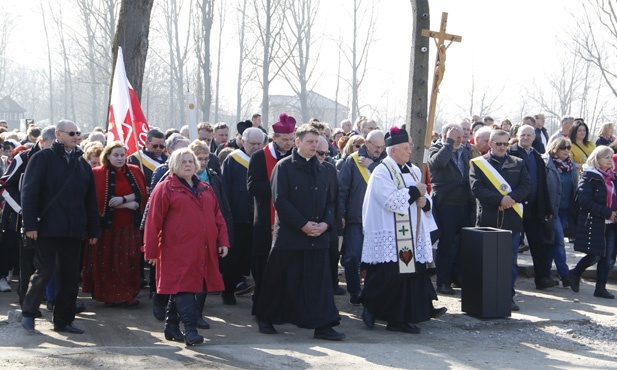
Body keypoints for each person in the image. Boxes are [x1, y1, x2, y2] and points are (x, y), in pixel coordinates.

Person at [256, 124, 344, 341]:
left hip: (318, 237)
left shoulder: (326, 169)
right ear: (297, 142)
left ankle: (324, 325)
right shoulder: (283, 167)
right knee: (278, 281)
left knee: (320, 284)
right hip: (290, 236)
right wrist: (302, 225)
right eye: (310, 142)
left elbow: (331, 202)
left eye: (317, 142)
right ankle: (266, 318)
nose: (314, 146)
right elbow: (281, 201)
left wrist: (325, 224)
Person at [361, 126, 444, 334]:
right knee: (386, 277)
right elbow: (392, 202)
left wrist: (425, 202)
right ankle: (372, 309)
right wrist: (415, 191)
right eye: (405, 148)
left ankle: (402, 317)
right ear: (393, 151)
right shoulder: (382, 172)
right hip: (390, 232)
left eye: (410, 147)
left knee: (409, 276)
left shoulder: (415, 170)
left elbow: (426, 200)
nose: (409, 151)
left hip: (409, 234)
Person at [21, 120, 100, 334]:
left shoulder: (82, 164)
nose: (77, 136)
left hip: (73, 230)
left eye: (79, 133)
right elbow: (29, 193)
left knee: (69, 276)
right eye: (72, 133)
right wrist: (30, 224)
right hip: (45, 228)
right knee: (44, 271)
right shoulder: (42, 158)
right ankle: (28, 312)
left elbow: (90, 200)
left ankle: (63, 321)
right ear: (58, 134)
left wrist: (93, 229)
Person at [144, 147, 230, 345]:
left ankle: (171, 326)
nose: (188, 165)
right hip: (175, 249)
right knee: (184, 288)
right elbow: (153, 221)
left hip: (202, 248)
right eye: (183, 162)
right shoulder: (165, 188)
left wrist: (223, 241)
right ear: (174, 164)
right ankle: (190, 331)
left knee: (187, 287)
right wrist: (150, 251)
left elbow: (218, 217)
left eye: (191, 161)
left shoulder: (205, 188)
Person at [470, 130, 531, 311]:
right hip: (488, 218)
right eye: (498, 144)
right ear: (490, 143)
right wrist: (499, 200)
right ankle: (485, 296)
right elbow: (476, 188)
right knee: (486, 261)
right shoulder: (479, 164)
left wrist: (511, 198)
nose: (502, 147)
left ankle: (508, 295)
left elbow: (526, 186)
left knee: (510, 261)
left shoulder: (518, 163)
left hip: (512, 219)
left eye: (505, 144)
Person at [82, 141, 147, 307]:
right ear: (108, 156)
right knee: (107, 262)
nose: (119, 158)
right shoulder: (97, 173)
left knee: (128, 261)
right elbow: (98, 201)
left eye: (122, 155)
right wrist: (125, 203)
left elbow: (141, 194)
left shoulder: (135, 170)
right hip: (106, 228)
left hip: (129, 227)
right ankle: (109, 296)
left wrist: (125, 199)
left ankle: (128, 295)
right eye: (116, 155)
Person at [247, 113, 296, 315]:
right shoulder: (260, 157)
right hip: (265, 222)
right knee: (264, 270)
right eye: (285, 140)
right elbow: (252, 187)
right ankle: (261, 310)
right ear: (274, 138)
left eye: (292, 139)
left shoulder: (296, 158)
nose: (289, 143)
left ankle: (283, 309)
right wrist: (280, 189)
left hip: (290, 224)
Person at [0, 126, 56, 298]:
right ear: (41, 141)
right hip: (23, 219)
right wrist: (23, 209)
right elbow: (5, 185)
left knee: (50, 260)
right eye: (53, 144)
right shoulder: (23, 158)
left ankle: (49, 296)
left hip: (51, 218)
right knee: (27, 260)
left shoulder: (61, 159)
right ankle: (26, 298)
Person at [338, 129, 386, 304]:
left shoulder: (386, 162)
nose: (379, 150)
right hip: (356, 218)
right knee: (351, 257)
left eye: (382, 147)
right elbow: (342, 190)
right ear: (366, 143)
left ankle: (371, 292)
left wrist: (372, 167)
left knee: (376, 260)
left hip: (379, 219)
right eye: (376, 146)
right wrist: (341, 214)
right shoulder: (352, 161)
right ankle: (354, 291)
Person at [507, 126, 557, 290]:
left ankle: (542, 278)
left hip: (535, 208)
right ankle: (508, 283)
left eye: (529, 135)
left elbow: (542, 183)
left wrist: (547, 207)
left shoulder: (537, 156)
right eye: (523, 135)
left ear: (534, 137)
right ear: (517, 136)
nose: (526, 138)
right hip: (514, 206)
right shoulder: (510, 153)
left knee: (538, 244)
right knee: (512, 246)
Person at [190, 139, 233, 328]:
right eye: (198, 158)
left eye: (206, 158)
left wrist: (226, 236)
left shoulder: (214, 177)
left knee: (204, 275)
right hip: (187, 236)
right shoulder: (177, 178)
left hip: (210, 235)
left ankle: (198, 312)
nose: (203, 162)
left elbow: (222, 208)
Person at [220, 127, 264, 305]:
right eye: (252, 143)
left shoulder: (264, 159)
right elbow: (225, 189)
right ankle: (228, 291)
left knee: (257, 258)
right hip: (238, 218)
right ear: (243, 142)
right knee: (234, 258)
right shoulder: (233, 160)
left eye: (259, 143)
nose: (256, 146)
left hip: (259, 218)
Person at [428, 123, 472, 295]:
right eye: (455, 135)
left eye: (460, 136)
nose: (459, 139)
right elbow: (436, 164)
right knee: (446, 244)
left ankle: (457, 275)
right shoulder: (436, 148)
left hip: (464, 201)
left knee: (461, 243)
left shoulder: (465, 150)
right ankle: (443, 281)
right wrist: (449, 143)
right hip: (446, 203)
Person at [569, 146, 616, 299]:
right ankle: (575, 273)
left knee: (607, 257)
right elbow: (584, 201)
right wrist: (607, 212)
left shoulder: (613, 176)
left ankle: (600, 288)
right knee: (595, 254)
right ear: (597, 159)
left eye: (611, 157)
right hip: (595, 221)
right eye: (606, 157)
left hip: (612, 222)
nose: (610, 160)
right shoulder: (589, 176)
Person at [543, 138, 577, 287]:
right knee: (558, 241)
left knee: (552, 242)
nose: (566, 151)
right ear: (555, 148)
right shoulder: (547, 164)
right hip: (552, 209)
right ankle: (565, 274)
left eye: (568, 148)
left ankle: (546, 274)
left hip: (565, 209)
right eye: (562, 148)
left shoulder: (571, 165)